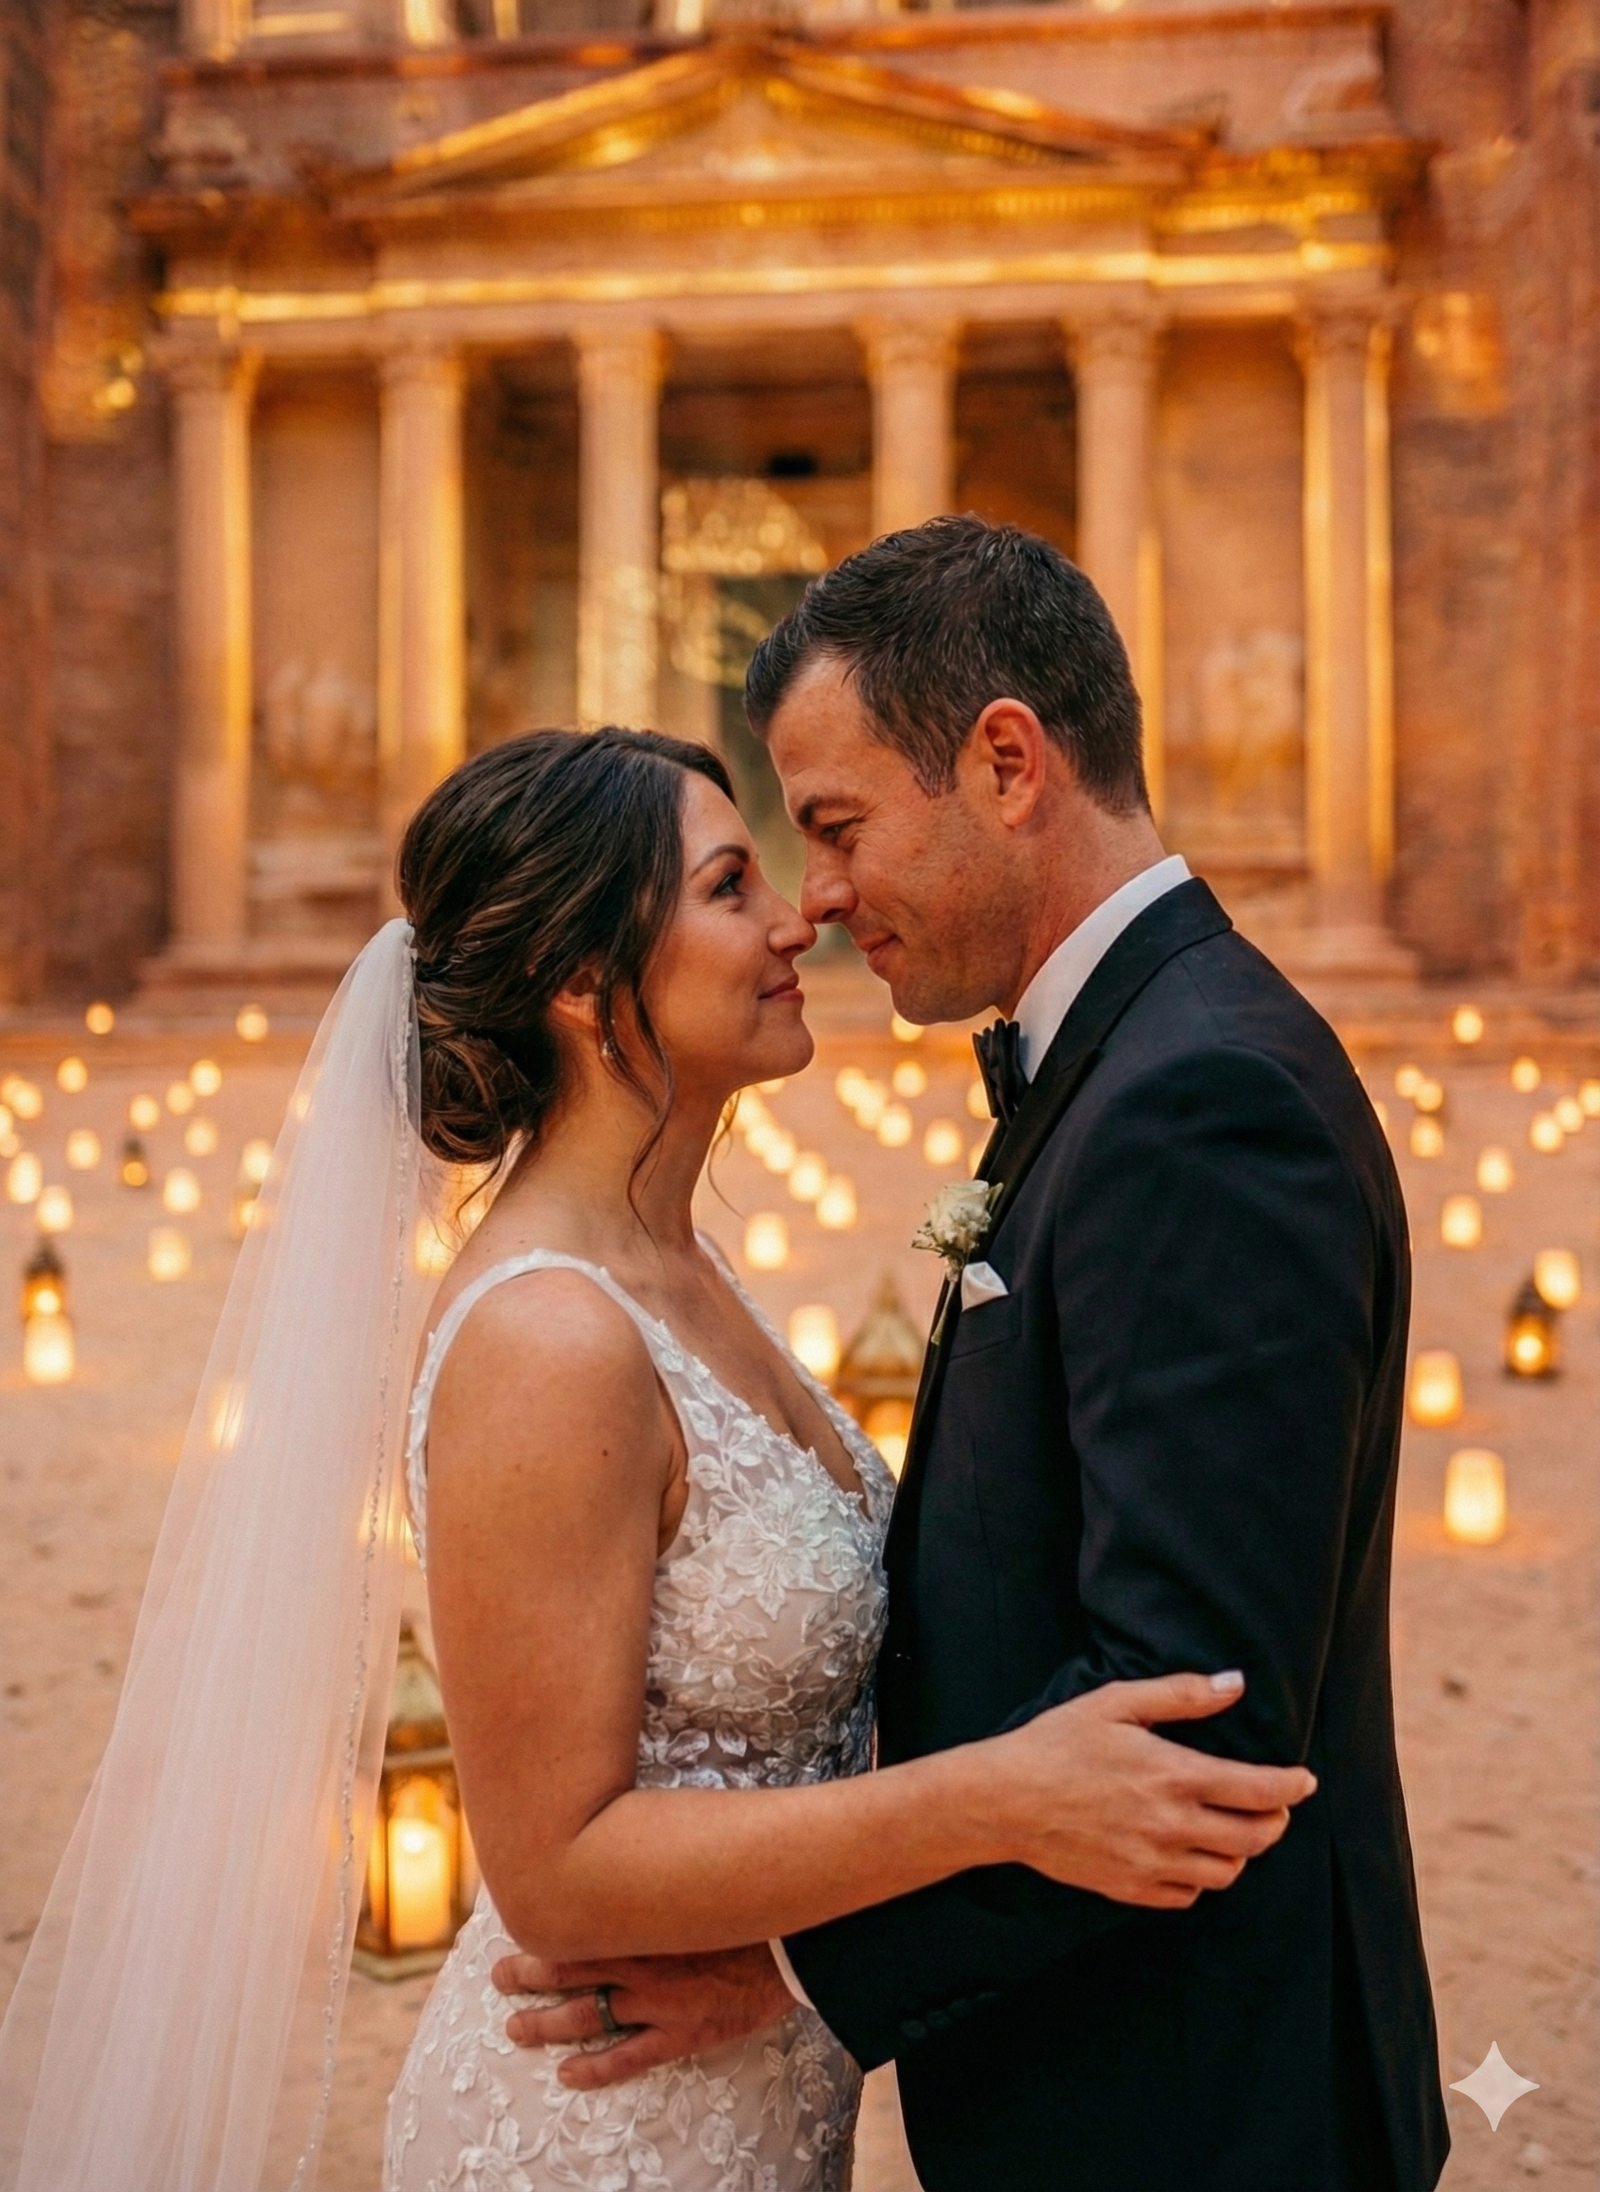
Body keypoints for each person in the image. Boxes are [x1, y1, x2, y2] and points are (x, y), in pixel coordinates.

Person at [0, 721, 1311, 2192]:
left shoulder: (679, 1271)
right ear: (579, 979)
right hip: (596, 2120)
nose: (797, 916)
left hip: (745, 2089)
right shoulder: (549, 1339)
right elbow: (554, 1869)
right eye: (731, 882)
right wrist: (1002, 1794)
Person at [494, 522, 1452, 2192]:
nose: (824, 900)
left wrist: (797, 1969)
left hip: (1196, 2108)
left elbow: (1193, 1725)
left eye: (840, 828)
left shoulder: (1193, 1105)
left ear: (1008, 761)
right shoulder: (1128, 1060)